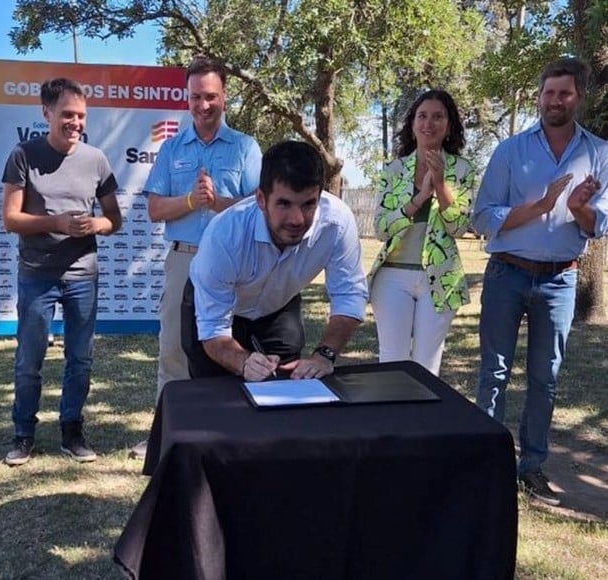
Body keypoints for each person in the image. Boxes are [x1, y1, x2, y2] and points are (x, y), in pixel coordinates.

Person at [472, 57, 608, 506]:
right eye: (548, 92)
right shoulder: (510, 151)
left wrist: (579, 209)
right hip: (506, 273)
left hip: (560, 282)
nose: (555, 100)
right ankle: (486, 465)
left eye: (564, 93)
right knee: (493, 372)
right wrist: (541, 204)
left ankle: (531, 468)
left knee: (544, 379)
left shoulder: (600, 153)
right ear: (539, 95)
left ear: (579, 97)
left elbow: (599, 223)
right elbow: (483, 216)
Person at [130, 56, 261, 458]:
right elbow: (154, 210)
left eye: (210, 97)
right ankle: (166, 437)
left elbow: (259, 208)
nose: (202, 106)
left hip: (232, 263)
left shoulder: (245, 147)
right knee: (173, 347)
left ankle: (229, 432)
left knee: (230, 346)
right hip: (184, 259)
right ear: (185, 99)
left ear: (224, 97)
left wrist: (217, 202)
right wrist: (191, 200)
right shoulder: (171, 148)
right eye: (194, 98)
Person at [1, 77, 122, 465]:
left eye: (81, 116)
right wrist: (56, 223)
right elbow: (11, 219)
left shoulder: (96, 159)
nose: (75, 123)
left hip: (82, 275)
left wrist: (93, 225)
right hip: (37, 274)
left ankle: (72, 431)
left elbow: (113, 220)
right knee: (29, 359)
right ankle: (23, 434)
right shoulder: (23, 154)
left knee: (80, 359)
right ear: (46, 113)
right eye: (67, 115)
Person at [183, 140, 368, 380]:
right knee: (214, 397)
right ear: (261, 199)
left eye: (308, 204)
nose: (297, 219)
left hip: (279, 306)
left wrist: (325, 354)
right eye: (284, 204)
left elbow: (349, 294)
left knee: (289, 389)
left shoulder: (337, 223)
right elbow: (213, 327)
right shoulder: (224, 234)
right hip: (215, 308)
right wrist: (243, 362)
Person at [368, 90, 475, 376]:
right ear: (413, 124)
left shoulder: (462, 169)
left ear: (449, 125)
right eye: (422, 116)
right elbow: (380, 229)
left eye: (438, 116)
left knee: (427, 366)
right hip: (391, 276)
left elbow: (459, 227)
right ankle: (391, 422)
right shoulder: (393, 169)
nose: (429, 123)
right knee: (392, 363)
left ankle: (424, 422)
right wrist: (417, 200)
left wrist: (440, 186)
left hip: (440, 279)